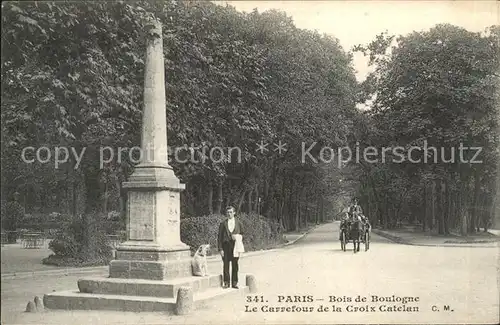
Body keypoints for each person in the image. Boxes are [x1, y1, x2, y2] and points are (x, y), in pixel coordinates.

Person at [217, 206, 244, 289]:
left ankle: (235, 282)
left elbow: (243, 234)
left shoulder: (239, 223)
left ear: (234, 213)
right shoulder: (223, 223)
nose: (229, 214)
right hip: (225, 246)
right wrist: (220, 249)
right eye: (228, 212)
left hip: (235, 247)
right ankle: (226, 282)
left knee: (235, 265)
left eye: (231, 212)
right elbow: (219, 237)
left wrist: (237, 237)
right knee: (226, 265)